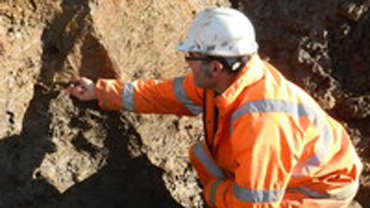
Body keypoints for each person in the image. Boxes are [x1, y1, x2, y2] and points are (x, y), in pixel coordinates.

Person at [67, 7, 362, 208]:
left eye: (192, 57)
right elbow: (164, 94)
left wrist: (212, 193)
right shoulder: (226, 80)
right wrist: (101, 91)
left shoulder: (263, 123)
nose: (189, 63)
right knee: (203, 156)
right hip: (277, 168)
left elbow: (254, 205)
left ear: (216, 66)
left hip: (318, 191)